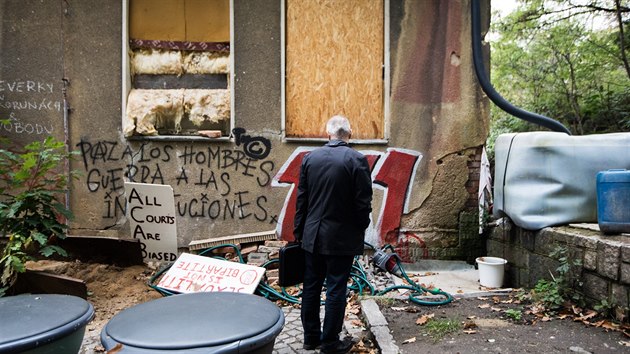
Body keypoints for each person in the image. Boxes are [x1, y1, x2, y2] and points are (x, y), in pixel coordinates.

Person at [293, 115, 373, 353]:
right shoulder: (357, 160)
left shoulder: (310, 159)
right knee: (336, 287)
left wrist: (299, 232)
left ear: (327, 133)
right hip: (340, 237)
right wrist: (360, 227)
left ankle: (310, 338)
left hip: (312, 235)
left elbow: (302, 200)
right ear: (349, 133)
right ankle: (329, 342)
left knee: (311, 286)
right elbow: (363, 202)